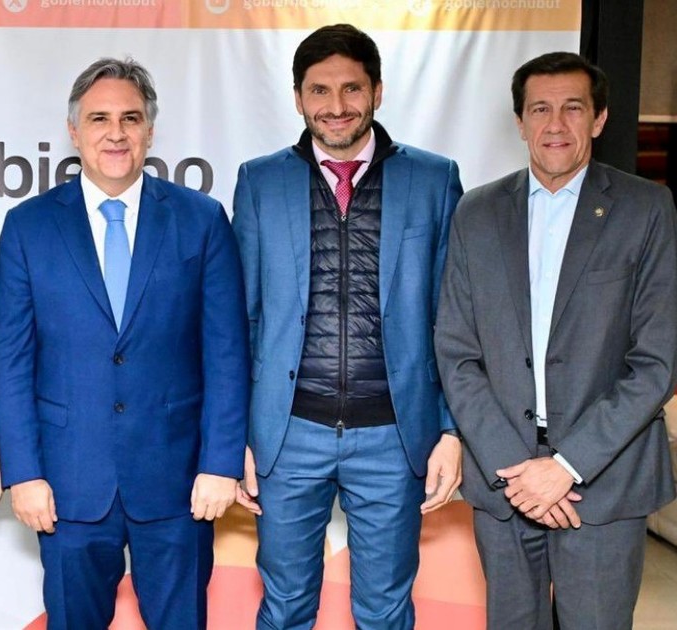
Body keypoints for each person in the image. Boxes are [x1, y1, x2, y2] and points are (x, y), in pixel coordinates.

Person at [0, 57, 248, 629]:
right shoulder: (29, 226)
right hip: (67, 485)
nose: (116, 133)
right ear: (73, 130)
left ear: (150, 131)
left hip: (180, 484)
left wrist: (220, 463)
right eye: (99, 118)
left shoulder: (201, 220)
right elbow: (10, 362)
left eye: (130, 118)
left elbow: (227, 354)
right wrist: (23, 472)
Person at [232, 24, 463, 629]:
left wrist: (450, 429)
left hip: (395, 436)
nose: (336, 106)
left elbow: (453, 318)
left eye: (352, 88)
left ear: (378, 91)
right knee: (284, 607)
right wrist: (237, 436)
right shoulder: (260, 181)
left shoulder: (434, 179)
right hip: (287, 435)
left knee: (385, 612)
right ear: (298, 98)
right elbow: (241, 318)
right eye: (319, 90)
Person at [435, 51, 677, 629]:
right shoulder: (476, 211)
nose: (555, 124)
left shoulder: (646, 208)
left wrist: (566, 466)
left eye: (573, 108)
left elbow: (657, 361)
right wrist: (516, 469)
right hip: (505, 480)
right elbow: (457, 352)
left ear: (599, 118)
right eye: (540, 109)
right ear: (520, 122)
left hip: (605, 479)